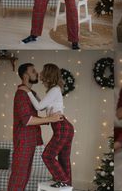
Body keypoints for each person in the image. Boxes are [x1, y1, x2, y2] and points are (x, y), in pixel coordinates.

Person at [8, 63, 63, 191]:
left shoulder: (30, 93)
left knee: (25, 176)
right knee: (19, 176)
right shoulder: (21, 94)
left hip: (30, 140)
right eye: (33, 71)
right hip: (23, 141)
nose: (37, 73)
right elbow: (27, 120)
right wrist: (50, 119)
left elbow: (41, 106)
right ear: (25, 75)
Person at [19, 64, 74, 188]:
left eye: (43, 71)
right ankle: (66, 182)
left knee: (47, 156)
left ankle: (63, 180)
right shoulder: (54, 90)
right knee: (63, 158)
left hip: (62, 127)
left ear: (48, 74)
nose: (40, 73)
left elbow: (38, 107)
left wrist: (28, 92)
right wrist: (35, 95)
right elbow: (42, 106)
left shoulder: (55, 89)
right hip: (65, 127)